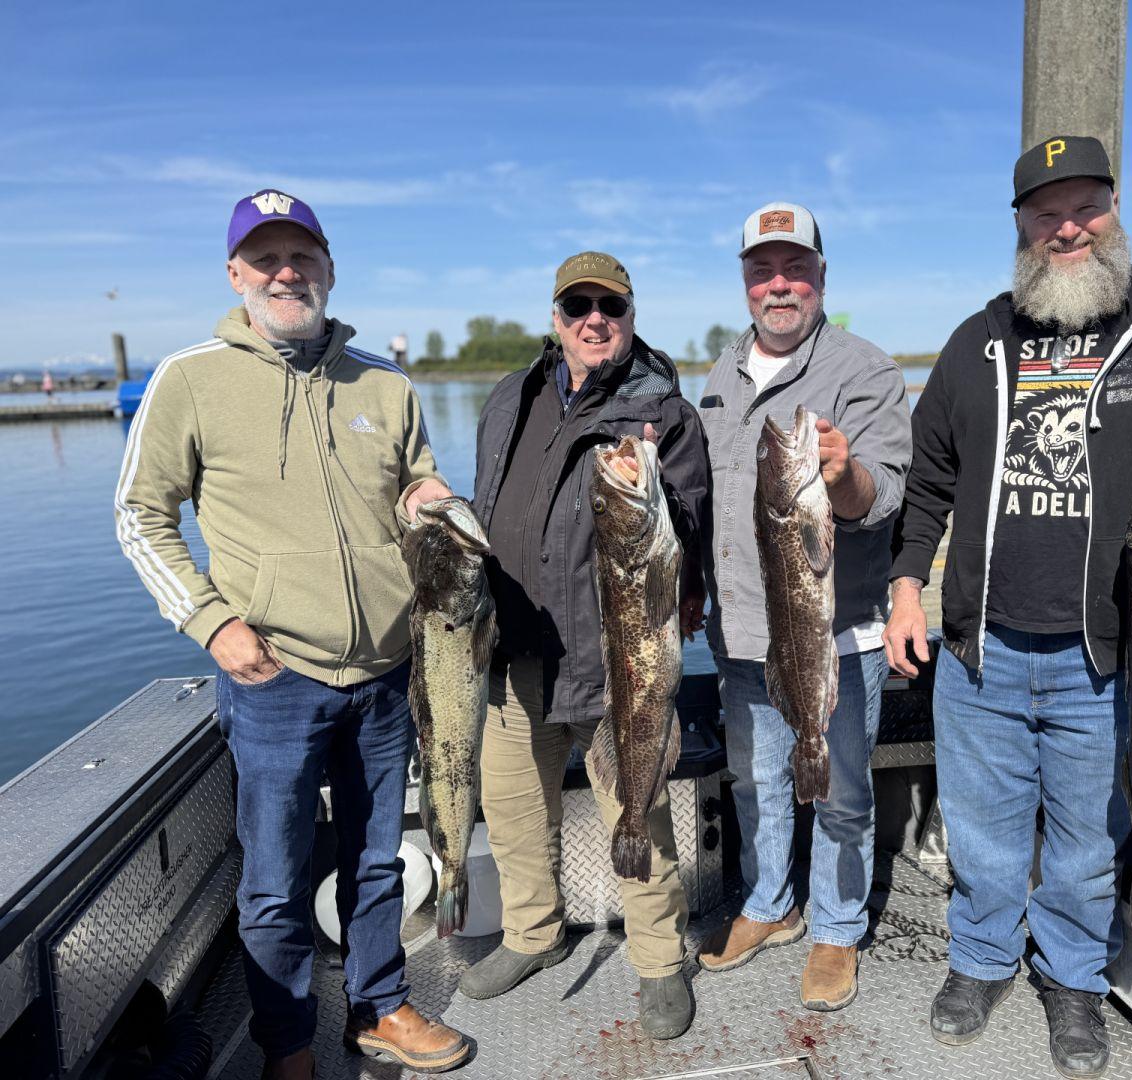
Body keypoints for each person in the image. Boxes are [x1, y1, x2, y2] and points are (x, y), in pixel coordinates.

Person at [885, 136, 1132, 1077]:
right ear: (1019, 225)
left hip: (1114, 655)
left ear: (1114, 208)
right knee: (979, 827)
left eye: (1085, 206)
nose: (1067, 227)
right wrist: (907, 585)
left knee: (1088, 837)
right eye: (1045, 212)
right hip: (981, 646)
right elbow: (930, 477)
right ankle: (979, 962)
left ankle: (1072, 978)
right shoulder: (979, 339)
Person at [116, 190, 471, 1078]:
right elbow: (139, 517)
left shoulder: (383, 383)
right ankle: (286, 1045)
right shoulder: (190, 377)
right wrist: (212, 621)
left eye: (301, 257)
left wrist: (430, 500)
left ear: (328, 269)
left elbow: (416, 485)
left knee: (378, 862)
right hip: (275, 676)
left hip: (390, 672)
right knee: (274, 883)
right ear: (235, 274)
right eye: (266, 259)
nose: (286, 273)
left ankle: (379, 1007)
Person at [460, 251, 708, 1040]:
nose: (593, 319)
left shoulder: (664, 412)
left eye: (610, 305)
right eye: (577, 305)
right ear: (555, 318)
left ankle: (661, 962)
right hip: (514, 646)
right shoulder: (511, 396)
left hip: (616, 659)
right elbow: (491, 502)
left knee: (638, 807)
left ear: (632, 316)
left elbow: (690, 528)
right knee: (512, 811)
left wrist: (656, 490)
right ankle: (532, 937)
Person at [696, 203, 911, 1011]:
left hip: (835, 631)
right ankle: (769, 903)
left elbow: (884, 492)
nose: (778, 285)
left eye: (795, 269)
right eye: (762, 270)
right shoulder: (719, 375)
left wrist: (843, 474)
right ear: (746, 282)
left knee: (843, 788)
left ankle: (837, 927)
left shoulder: (865, 370)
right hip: (742, 629)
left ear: (821, 276)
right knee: (754, 780)